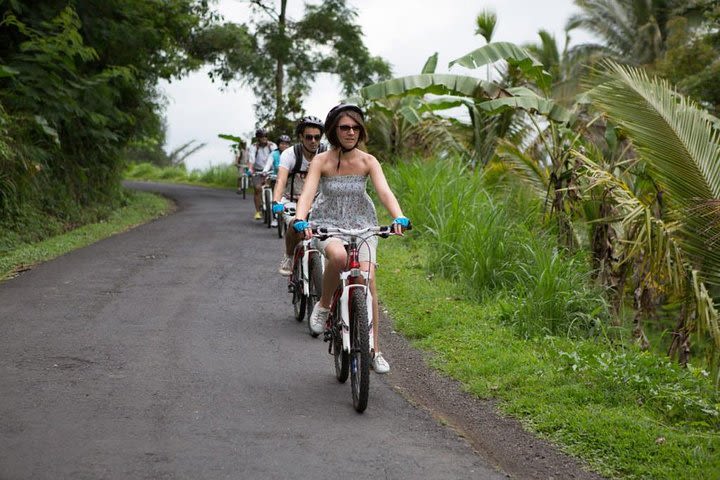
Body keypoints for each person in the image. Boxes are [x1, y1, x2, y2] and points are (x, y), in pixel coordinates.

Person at [292, 104, 410, 374]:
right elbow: (308, 193)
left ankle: (374, 350)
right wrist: (301, 218)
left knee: (368, 282)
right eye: (345, 127)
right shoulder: (321, 161)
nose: (351, 132)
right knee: (339, 257)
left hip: (363, 226)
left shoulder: (368, 161)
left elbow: (384, 192)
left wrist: (398, 217)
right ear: (334, 130)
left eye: (356, 127)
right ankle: (323, 306)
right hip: (327, 225)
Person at [271, 116, 326, 275]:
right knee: (295, 224)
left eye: (317, 137)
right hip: (291, 200)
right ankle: (288, 256)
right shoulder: (290, 154)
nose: (313, 141)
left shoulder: (326, 153)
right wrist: (276, 201)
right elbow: (281, 180)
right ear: (301, 137)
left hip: (318, 202)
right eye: (309, 137)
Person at [246, 128, 277, 220]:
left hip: (270, 171)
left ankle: (273, 210)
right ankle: (258, 211)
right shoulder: (254, 146)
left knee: (275, 189)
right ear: (258, 138)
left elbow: (276, 157)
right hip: (257, 170)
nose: (264, 138)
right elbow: (251, 159)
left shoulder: (272, 146)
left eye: (265, 136)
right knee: (257, 189)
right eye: (262, 137)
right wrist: (250, 169)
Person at [262, 135, 291, 227]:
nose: (284, 146)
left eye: (287, 144)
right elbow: (268, 164)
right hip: (276, 177)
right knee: (275, 196)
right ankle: (275, 217)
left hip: (289, 178)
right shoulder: (274, 154)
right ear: (278, 145)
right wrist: (265, 171)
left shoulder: (292, 153)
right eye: (282, 143)